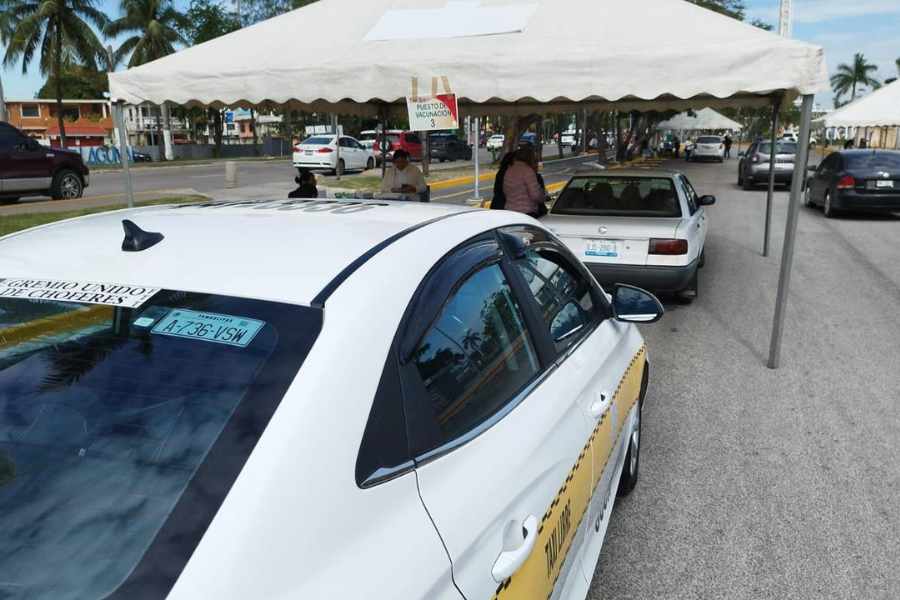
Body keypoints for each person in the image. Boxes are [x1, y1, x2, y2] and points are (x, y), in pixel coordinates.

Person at [502, 146, 547, 218]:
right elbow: (535, 195)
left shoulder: (509, 170)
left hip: (510, 211)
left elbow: (505, 190)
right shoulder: (528, 171)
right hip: (526, 212)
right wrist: (543, 196)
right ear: (529, 158)